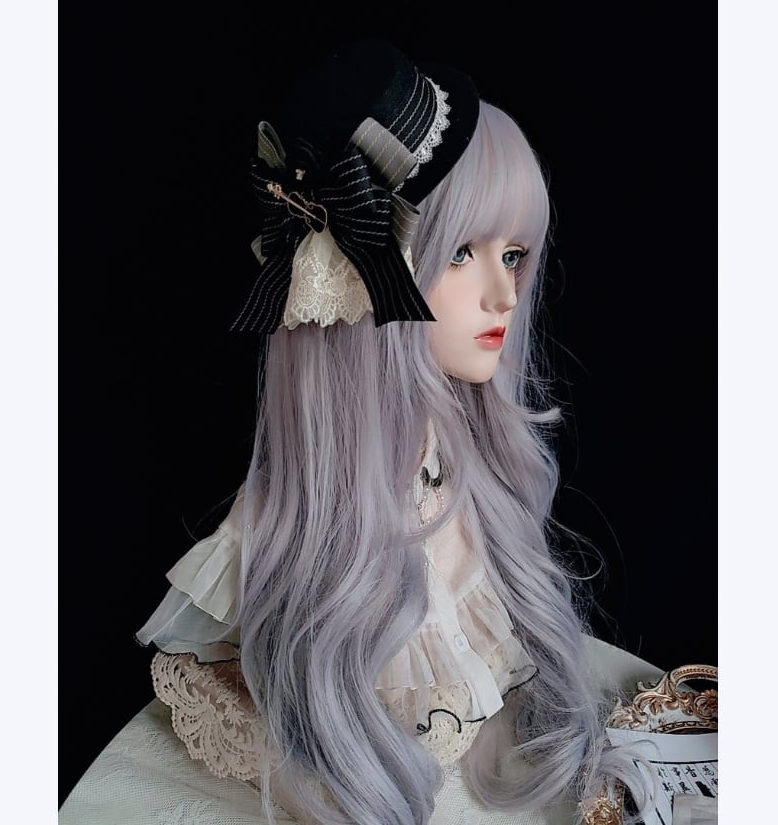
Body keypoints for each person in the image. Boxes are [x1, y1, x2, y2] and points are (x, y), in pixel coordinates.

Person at [135, 40, 654, 825]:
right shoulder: (314, 517)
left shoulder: (455, 455)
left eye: (515, 254)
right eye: (462, 254)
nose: (504, 294)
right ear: (358, 284)